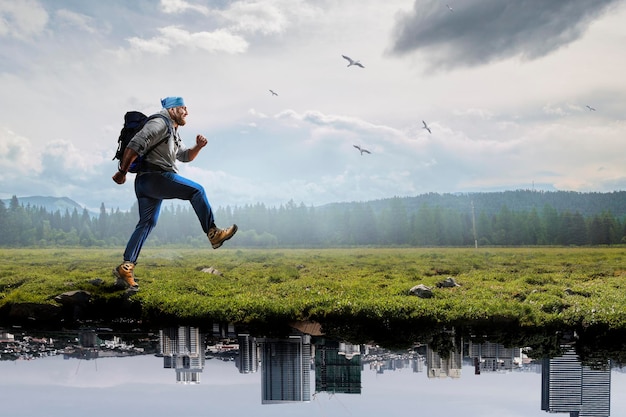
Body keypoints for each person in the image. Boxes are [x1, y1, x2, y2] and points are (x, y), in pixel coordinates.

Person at [112, 96, 237, 290]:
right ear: (171, 110)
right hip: (156, 177)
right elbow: (135, 143)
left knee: (146, 223)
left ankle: (126, 266)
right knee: (197, 191)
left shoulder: (172, 131)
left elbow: (184, 156)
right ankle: (213, 233)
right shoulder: (159, 123)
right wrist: (122, 172)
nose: (186, 111)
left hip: (147, 182)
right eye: (182, 108)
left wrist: (198, 147)